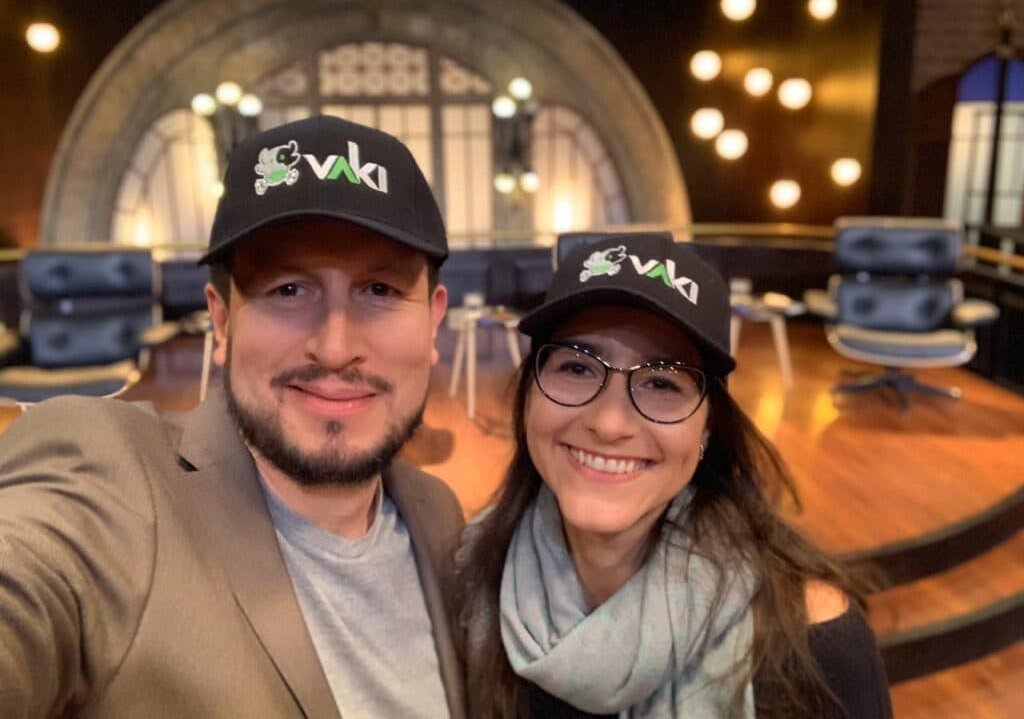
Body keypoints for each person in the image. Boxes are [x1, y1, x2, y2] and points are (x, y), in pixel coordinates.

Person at [0, 115, 466, 718]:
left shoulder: (440, 517)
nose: (333, 346)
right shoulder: (108, 480)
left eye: (378, 290)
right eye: (287, 290)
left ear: (433, 321)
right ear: (222, 323)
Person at [457, 233, 892, 718]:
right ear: (529, 398)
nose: (609, 423)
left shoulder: (816, 644)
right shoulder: (469, 583)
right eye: (577, 368)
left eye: (661, 382)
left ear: (707, 428)